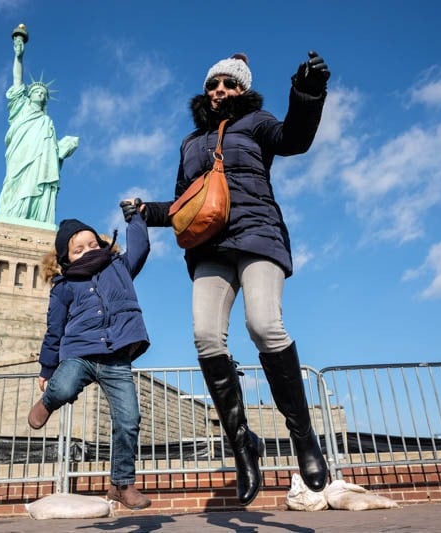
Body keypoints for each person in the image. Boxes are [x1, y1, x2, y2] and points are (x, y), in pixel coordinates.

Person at [121, 51, 331, 506]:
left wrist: (308, 94)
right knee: (205, 337)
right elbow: (184, 205)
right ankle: (243, 444)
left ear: (242, 90)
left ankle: (303, 437)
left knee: (263, 325)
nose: (219, 90)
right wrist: (144, 209)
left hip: (257, 237)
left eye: (229, 84)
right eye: (213, 84)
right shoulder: (189, 142)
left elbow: (294, 138)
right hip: (209, 249)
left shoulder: (257, 123)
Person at [27, 213, 152, 510]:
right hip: (80, 353)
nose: (88, 251)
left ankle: (122, 484)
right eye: (78, 249)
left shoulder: (119, 267)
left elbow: (141, 248)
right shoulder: (64, 286)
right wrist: (46, 369)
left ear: (103, 244)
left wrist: (135, 218)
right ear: (66, 259)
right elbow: (54, 329)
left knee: (129, 419)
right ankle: (47, 402)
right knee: (64, 387)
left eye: (92, 244)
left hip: (116, 357)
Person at [0, 31, 78, 224]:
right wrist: (18, 56)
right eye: (36, 91)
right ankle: (11, 214)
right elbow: (17, 80)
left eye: (43, 92)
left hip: (39, 160)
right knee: (14, 182)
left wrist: (63, 149)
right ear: (29, 94)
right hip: (20, 153)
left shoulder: (47, 122)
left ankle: (36, 217)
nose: (40, 94)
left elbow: (52, 153)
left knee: (36, 181)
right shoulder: (21, 107)